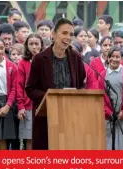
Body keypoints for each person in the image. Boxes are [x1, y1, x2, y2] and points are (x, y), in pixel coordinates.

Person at [25, 18, 86, 150]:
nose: (68, 37)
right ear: (53, 34)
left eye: (71, 34)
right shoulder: (40, 59)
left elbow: (81, 85)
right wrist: (51, 98)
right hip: (46, 117)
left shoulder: (76, 58)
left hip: (70, 116)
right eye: (64, 33)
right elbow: (30, 89)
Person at [17, 33, 44, 150]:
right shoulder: (23, 63)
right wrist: (21, 106)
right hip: (28, 106)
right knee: (29, 138)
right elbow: (19, 85)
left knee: (43, 137)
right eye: (31, 44)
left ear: (41, 46)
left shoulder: (47, 61)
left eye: (36, 44)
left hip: (44, 104)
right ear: (27, 46)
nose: (34, 47)